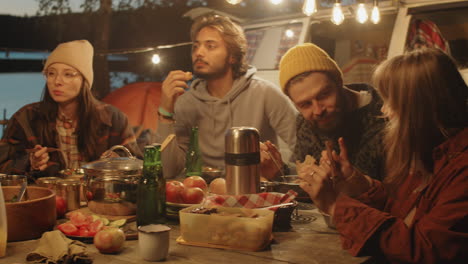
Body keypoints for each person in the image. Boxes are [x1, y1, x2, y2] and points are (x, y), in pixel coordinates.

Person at [299, 48, 468, 263]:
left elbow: (425, 249)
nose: (385, 111)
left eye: (391, 102)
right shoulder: (433, 152)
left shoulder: (462, 169)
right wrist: (359, 183)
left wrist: (335, 205)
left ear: (418, 109)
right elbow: (402, 211)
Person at [156, 14, 297, 179]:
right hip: (204, 197)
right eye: (196, 46)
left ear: (233, 56)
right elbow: (168, 171)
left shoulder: (264, 93)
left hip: (255, 196)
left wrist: (284, 172)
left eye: (210, 46)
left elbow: (304, 144)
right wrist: (165, 110)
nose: (198, 53)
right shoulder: (186, 103)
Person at [0, 40, 141, 178]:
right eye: (51, 73)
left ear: (84, 81)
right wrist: (29, 162)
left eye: (68, 74)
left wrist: (118, 162)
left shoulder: (113, 119)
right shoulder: (26, 118)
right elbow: (2, 165)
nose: (57, 81)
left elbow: (138, 164)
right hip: (46, 198)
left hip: (97, 198)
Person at [278, 43, 386, 180]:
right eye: (305, 104)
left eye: (324, 95)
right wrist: (280, 171)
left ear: (339, 82)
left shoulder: (385, 116)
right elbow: (301, 178)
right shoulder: (304, 123)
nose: (318, 111)